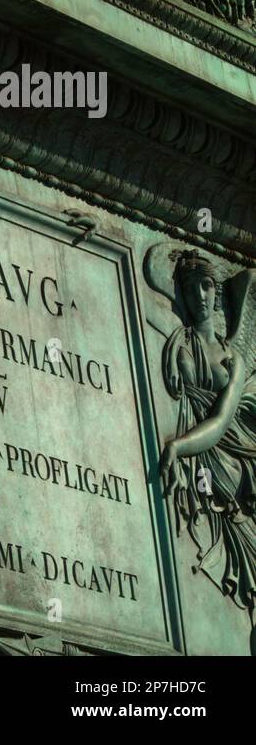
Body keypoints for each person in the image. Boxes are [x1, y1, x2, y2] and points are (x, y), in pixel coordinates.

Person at [159, 249, 256, 611]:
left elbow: (219, 423)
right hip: (200, 460)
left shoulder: (234, 358)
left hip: (230, 459)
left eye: (206, 286)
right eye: (190, 288)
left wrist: (178, 447)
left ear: (217, 293)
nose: (199, 296)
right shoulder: (179, 342)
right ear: (181, 295)